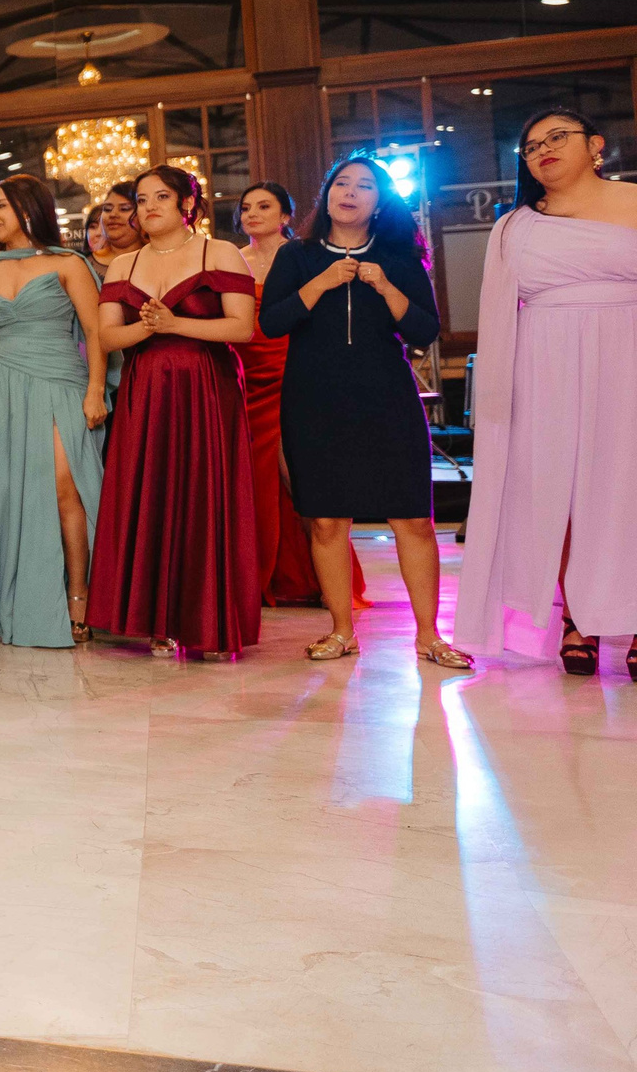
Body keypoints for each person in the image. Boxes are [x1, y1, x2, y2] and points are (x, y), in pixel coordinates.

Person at [261, 156, 461, 667]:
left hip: (387, 399)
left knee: (413, 518)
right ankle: (341, 631)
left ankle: (429, 636)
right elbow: (272, 322)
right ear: (326, 195)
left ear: (379, 202)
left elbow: (424, 331)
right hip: (313, 401)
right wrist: (322, 283)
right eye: (341, 183)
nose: (349, 192)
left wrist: (386, 287)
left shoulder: (399, 258)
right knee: (327, 521)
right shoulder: (297, 255)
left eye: (364, 185)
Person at [457, 109, 637, 675]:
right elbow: (497, 315)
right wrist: (497, 402)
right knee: (558, 492)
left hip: (628, 356)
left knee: (627, 486)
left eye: (557, 138)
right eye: (531, 146)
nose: (543, 150)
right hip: (545, 368)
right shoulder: (515, 226)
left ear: (595, 144)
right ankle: (575, 619)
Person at [88, 165, 260, 660]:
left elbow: (242, 329)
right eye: (141, 200)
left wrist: (173, 324)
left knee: (204, 494)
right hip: (145, 390)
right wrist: (148, 329)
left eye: (161, 197)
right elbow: (108, 337)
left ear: (187, 203)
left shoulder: (218, 252)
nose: (149, 207)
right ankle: (155, 621)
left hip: (205, 386)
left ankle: (207, 621)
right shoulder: (123, 265)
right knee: (150, 494)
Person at [0, 176, 107, 649]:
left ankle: (79, 597)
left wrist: (96, 390)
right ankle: (1, 602)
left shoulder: (68, 263)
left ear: (28, 209)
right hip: (2, 388)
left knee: (64, 487)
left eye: (0, 206)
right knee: (3, 491)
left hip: (60, 382)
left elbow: (95, 331)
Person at [235, 184, 322, 607]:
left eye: (264, 206)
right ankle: (261, 578)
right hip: (245, 378)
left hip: (294, 374)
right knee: (252, 480)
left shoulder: (304, 256)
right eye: (246, 207)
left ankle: (326, 578)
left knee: (300, 478)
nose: (252, 213)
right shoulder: (233, 260)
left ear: (285, 216)